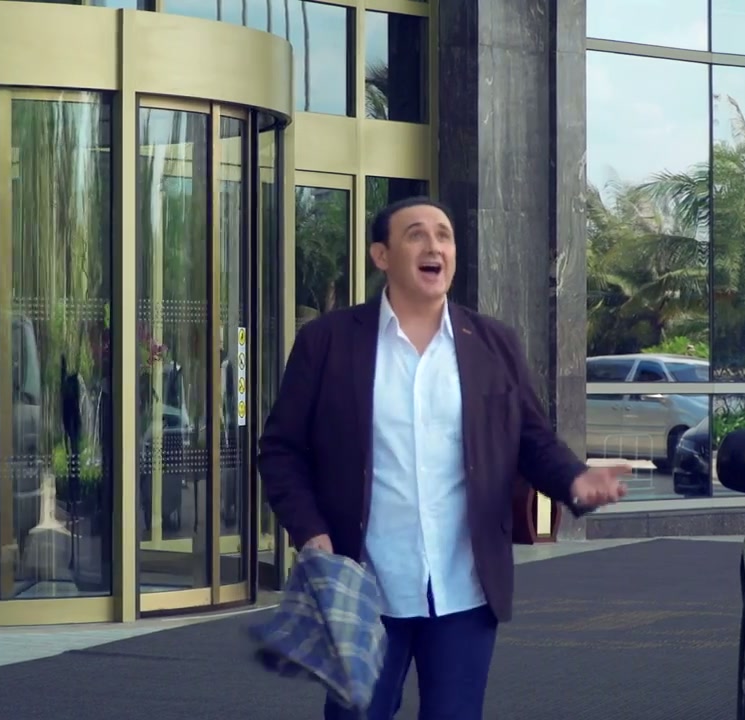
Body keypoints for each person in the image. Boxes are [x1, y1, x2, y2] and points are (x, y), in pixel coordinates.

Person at [257, 196, 628, 720]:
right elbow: (281, 450)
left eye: (444, 235)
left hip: (464, 589)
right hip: (364, 586)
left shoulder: (492, 342)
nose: (434, 246)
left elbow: (530, 438)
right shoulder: (328, 341)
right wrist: (311, 532)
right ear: (381, 255)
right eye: (416, 234)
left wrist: (576, 480)